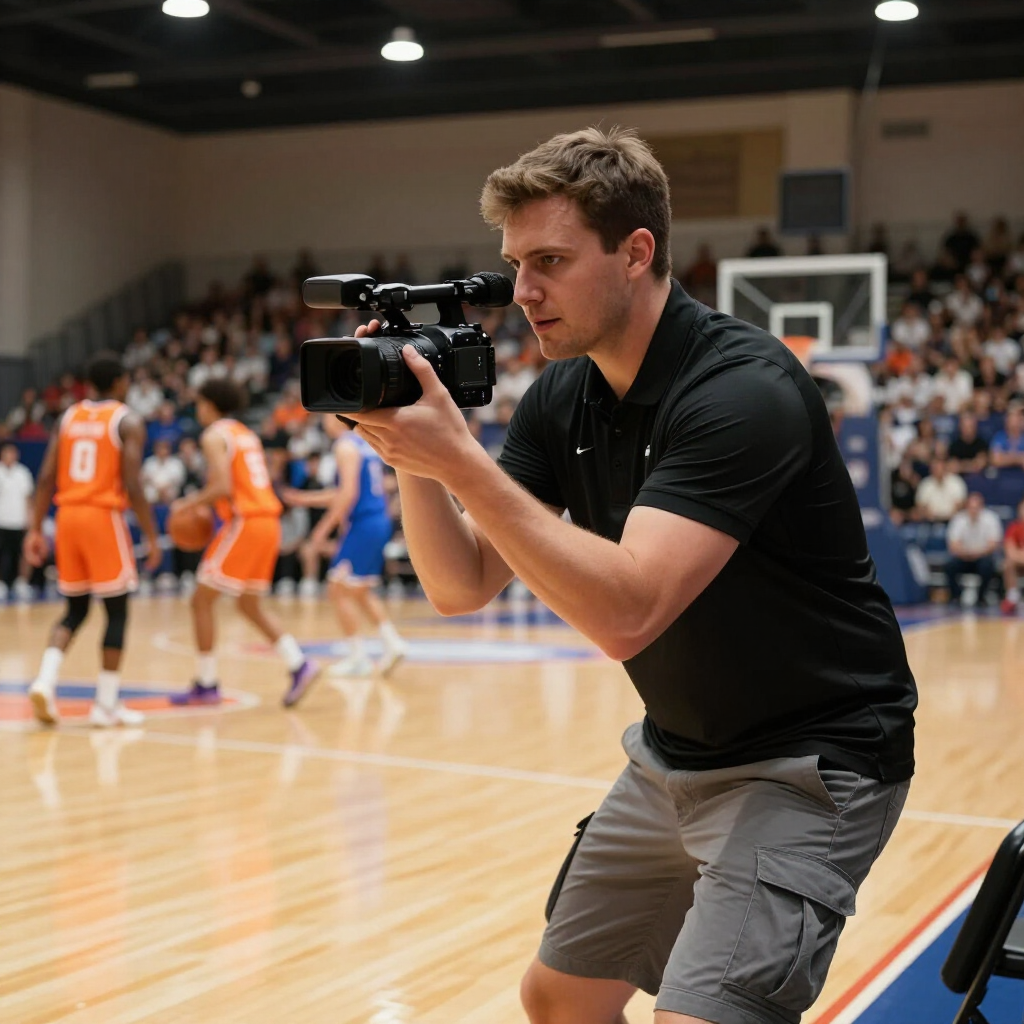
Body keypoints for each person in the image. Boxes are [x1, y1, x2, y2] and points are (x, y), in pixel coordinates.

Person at [344, 127, 916, 1024]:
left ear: (636, 252)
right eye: (514, 262)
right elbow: (459, 586)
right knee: (559, 998)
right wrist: (412, 448)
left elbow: (629, 614)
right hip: (674, 754)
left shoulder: (742, 389)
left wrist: (459, 463)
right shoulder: (563, 394)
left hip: (813, 762)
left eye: (550, 261)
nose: (523, 292)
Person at [23, 353, 162, 727]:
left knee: (74, 610)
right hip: (102, 517)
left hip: (66, 518)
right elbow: (133, 483)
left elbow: (46, 476)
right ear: (119, 383)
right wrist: (151, 536)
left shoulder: (68, 417)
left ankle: (44, 680)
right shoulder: (126, 419)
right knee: (116, 612)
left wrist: (36, 528)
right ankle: (105, 705)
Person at [168, 379, 320, 709]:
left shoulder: (213, 435)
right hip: (268, 522)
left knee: (200, 601)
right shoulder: (245, 433)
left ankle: (206, 684)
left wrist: (188, 503)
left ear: (208, 404)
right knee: (248, 605)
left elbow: (222, 486)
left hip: (247, 521)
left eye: (199, 404)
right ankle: (298, 663)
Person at [287, 415, 407, 677]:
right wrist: (305, 499)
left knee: (337, 588)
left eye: (327, 414)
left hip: (364, 522)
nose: (324, 419)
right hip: (376, 520)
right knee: (360, 590)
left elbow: (348, 495)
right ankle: (392, 642)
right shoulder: (363, 444)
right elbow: (346, 492)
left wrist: (321, 531)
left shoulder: (344, 446)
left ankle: (358, 657)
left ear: (340, 418)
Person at [945, 492, 1002, 605]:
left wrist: (976, 553)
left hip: (982, 557)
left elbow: (993, 545)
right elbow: (953, 545)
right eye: (971, 507)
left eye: (976, 507)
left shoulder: (991, 519)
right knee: (950, 566)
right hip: (964, 557)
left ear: (982, 507)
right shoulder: (958, 519)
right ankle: (956, 596)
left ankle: (981, 597)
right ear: (966, 507)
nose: (973, 510)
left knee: (987, 565)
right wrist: (967, 553)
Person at [0, 442, 35, 601]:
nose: (11, 456)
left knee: (24, 553)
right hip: (2, 521)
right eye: (8, 452)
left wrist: (31, 519)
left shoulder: (23, 473)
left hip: (19, 521)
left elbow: (29, 498)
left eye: (13, 452)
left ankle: (22, 582)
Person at [915, 457, 967, 522]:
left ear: (945, 468)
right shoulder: (925, 484)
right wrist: (927, 514)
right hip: (930, 521)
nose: (937, 470)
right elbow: (920, 505)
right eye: (935, 468)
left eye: (939, 468)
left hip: (952, 521)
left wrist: (951, 516)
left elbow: (960, 504)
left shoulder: (956, 482)